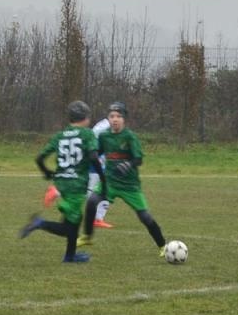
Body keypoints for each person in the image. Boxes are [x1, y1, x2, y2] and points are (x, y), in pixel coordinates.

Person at [19, 100, 104, 263]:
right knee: (69, 227)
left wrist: (47, 173)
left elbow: (39, 158)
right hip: (76, 186)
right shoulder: (87, 134)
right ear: (85, 117)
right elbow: (94, 156)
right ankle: (39, 223)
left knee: (74, 220)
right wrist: (103, 178)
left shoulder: (60, 135)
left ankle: (69, 256)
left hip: (60, 184)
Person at [81, 102, 168, 254]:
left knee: (145, 217)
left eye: (118, 116)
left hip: (130, 185)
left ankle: (162, 246)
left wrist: (128, 165)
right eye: (112, 116)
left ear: (124, 119)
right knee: (91, 202)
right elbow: (97, 152)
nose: (115, 119)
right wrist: (91, 154)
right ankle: (87, 237)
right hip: (109, 182)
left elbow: (138, 159)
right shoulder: (105, 136)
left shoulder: (130, 137)